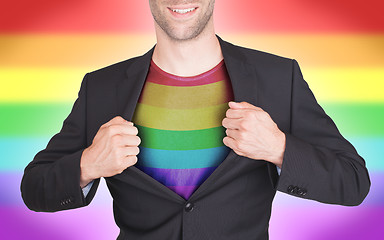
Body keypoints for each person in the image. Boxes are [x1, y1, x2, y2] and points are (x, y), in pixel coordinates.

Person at [21, 0, 370, 239]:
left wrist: (280, 148)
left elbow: (353, 181)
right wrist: (87, 165)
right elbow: (34, 188)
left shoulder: (279, 78)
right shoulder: (101, 87)